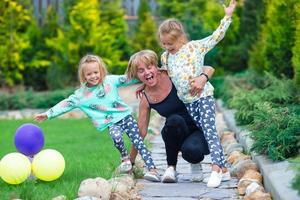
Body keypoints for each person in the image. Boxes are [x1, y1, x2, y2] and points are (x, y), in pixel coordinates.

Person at [34, 54, 160, 182]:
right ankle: (125, 158)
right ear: (83, 76)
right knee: (116, 138)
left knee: (138, 142)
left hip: (126, 117)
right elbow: (66, 104)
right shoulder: (81, 95)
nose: (93, 76)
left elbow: (129, 79)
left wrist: (152, 76)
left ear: (101, 71)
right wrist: (48, 114)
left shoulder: (110, 81)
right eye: (89, 74)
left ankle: (152, 169)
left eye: (96, 72)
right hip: (112, 123)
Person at [157, 0, 236, 187]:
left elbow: (216, 37)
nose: (168, 47)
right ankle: (225, 170)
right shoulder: (165, 57)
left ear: (180, 38)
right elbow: (165, 76)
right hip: (188, 102)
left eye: (171, 43)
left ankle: (216, 169)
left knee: (209, 130)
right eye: (164, 43)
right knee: (204, 130)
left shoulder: (194, 47)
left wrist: (227, 16)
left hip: (204, 97)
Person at [126, 49, 213, 183]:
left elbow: (209, 68)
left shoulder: (173, 73)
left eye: (149, 67)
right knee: (174, 120)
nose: (147, 72)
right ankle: (171, 168)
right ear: (136, 74)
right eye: (141, 70)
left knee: (191, 150)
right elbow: (141, 132)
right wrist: (130, 162)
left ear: (156, 66)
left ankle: (195, 163)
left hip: (198, 129)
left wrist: (203, 78)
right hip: (176, 130)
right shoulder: (145, 98)